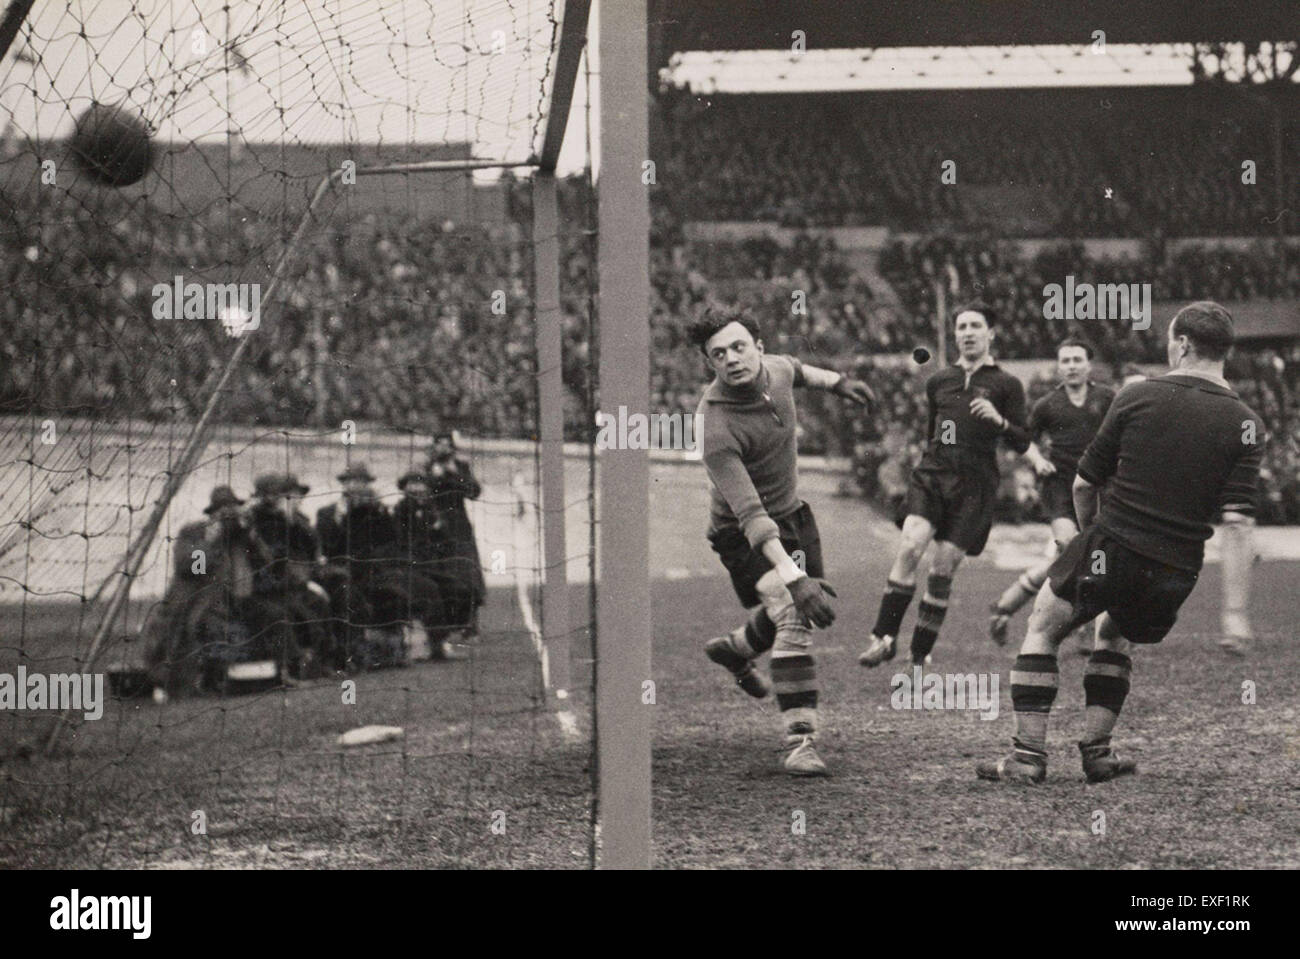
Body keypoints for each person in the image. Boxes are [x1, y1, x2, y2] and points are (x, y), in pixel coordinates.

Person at [977, 302, 1264, 784]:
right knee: (1114, 635)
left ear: (1183, 344)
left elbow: (1085, 484)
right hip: (1177, 570)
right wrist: (1235, 613)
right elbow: (1237, 525)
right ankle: (1097, 753)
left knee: (1044, 626)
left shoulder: (1136, 397)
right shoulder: (1247, 422)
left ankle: (1027, 757)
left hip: (1114, 545)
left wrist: (1088, 539)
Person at [691, 305, 874, 776]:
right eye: (718, 354)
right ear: (709, 363)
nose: (731, 358)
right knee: (795, 609)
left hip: (793, 517)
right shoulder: (714, 425)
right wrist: (794, 578)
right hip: (742, 536)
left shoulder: (776, 368)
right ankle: (800, 741)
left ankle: (735, 649)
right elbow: (751, 515)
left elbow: (797, 368)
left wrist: (838, 382)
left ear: (758, 348)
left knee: (794, 612)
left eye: (738, 347)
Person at [860, 302, 1030, 670]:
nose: (967, 333)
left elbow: (1022, 440)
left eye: (975, 326)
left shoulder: (1007, 384)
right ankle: (883, 638)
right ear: (955, 335)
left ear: (991, 333)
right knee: (909, 547)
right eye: (962, 327)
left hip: (975, 485)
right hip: (934, 474)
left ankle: (919, 653)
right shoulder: (939, 381)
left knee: (942, 569)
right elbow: (933, 433)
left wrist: (1000, 422)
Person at [989, 335, 1116, 651]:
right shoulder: (1047, 405)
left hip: (1098, 487)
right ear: (1059, 367)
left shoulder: (1108, 399)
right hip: (1060, 487)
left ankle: (1006, 606)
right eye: (1066, 361)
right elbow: (1023, 439)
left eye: (1077, 360)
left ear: (1089, 365)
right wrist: (1037, 460)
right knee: (1075, 549)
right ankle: (1085, 630)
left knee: (1069, 559)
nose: (1071, 366)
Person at [248, 473, 333, 673]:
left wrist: (290, 521)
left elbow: (308, 543)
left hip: (286, 582)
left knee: (317, 603)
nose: (275, 499)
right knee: (297, 609)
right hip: (266, 586)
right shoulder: (255, 519)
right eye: (272, 495)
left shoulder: (285, 519)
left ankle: (323, 660)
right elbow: (271, 555)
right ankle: (297, 665)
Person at [392, 470, 472, 659]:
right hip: (407, 568)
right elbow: (398, 543)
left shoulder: (433, 511)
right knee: (431, 590)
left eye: (421, 484)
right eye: (412, 484)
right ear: (405, 488)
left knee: (462, 591)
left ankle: (445, 635)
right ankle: (434, 642)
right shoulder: (399, 511)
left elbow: (447, 546)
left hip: (430, 568)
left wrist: (438, 529)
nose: (418, 488)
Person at [423, 432, 486, 637]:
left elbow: (474, 492)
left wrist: (454, 473)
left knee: (467, 572)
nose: (442, 448)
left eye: (446, 444)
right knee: (442, 571)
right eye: (438, 443)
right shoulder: (426, 467)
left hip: (458, 524)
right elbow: (418, 491)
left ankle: (470, 622)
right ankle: (447, 623)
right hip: (434, 524)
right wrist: (434, 476)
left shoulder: (460, 466)